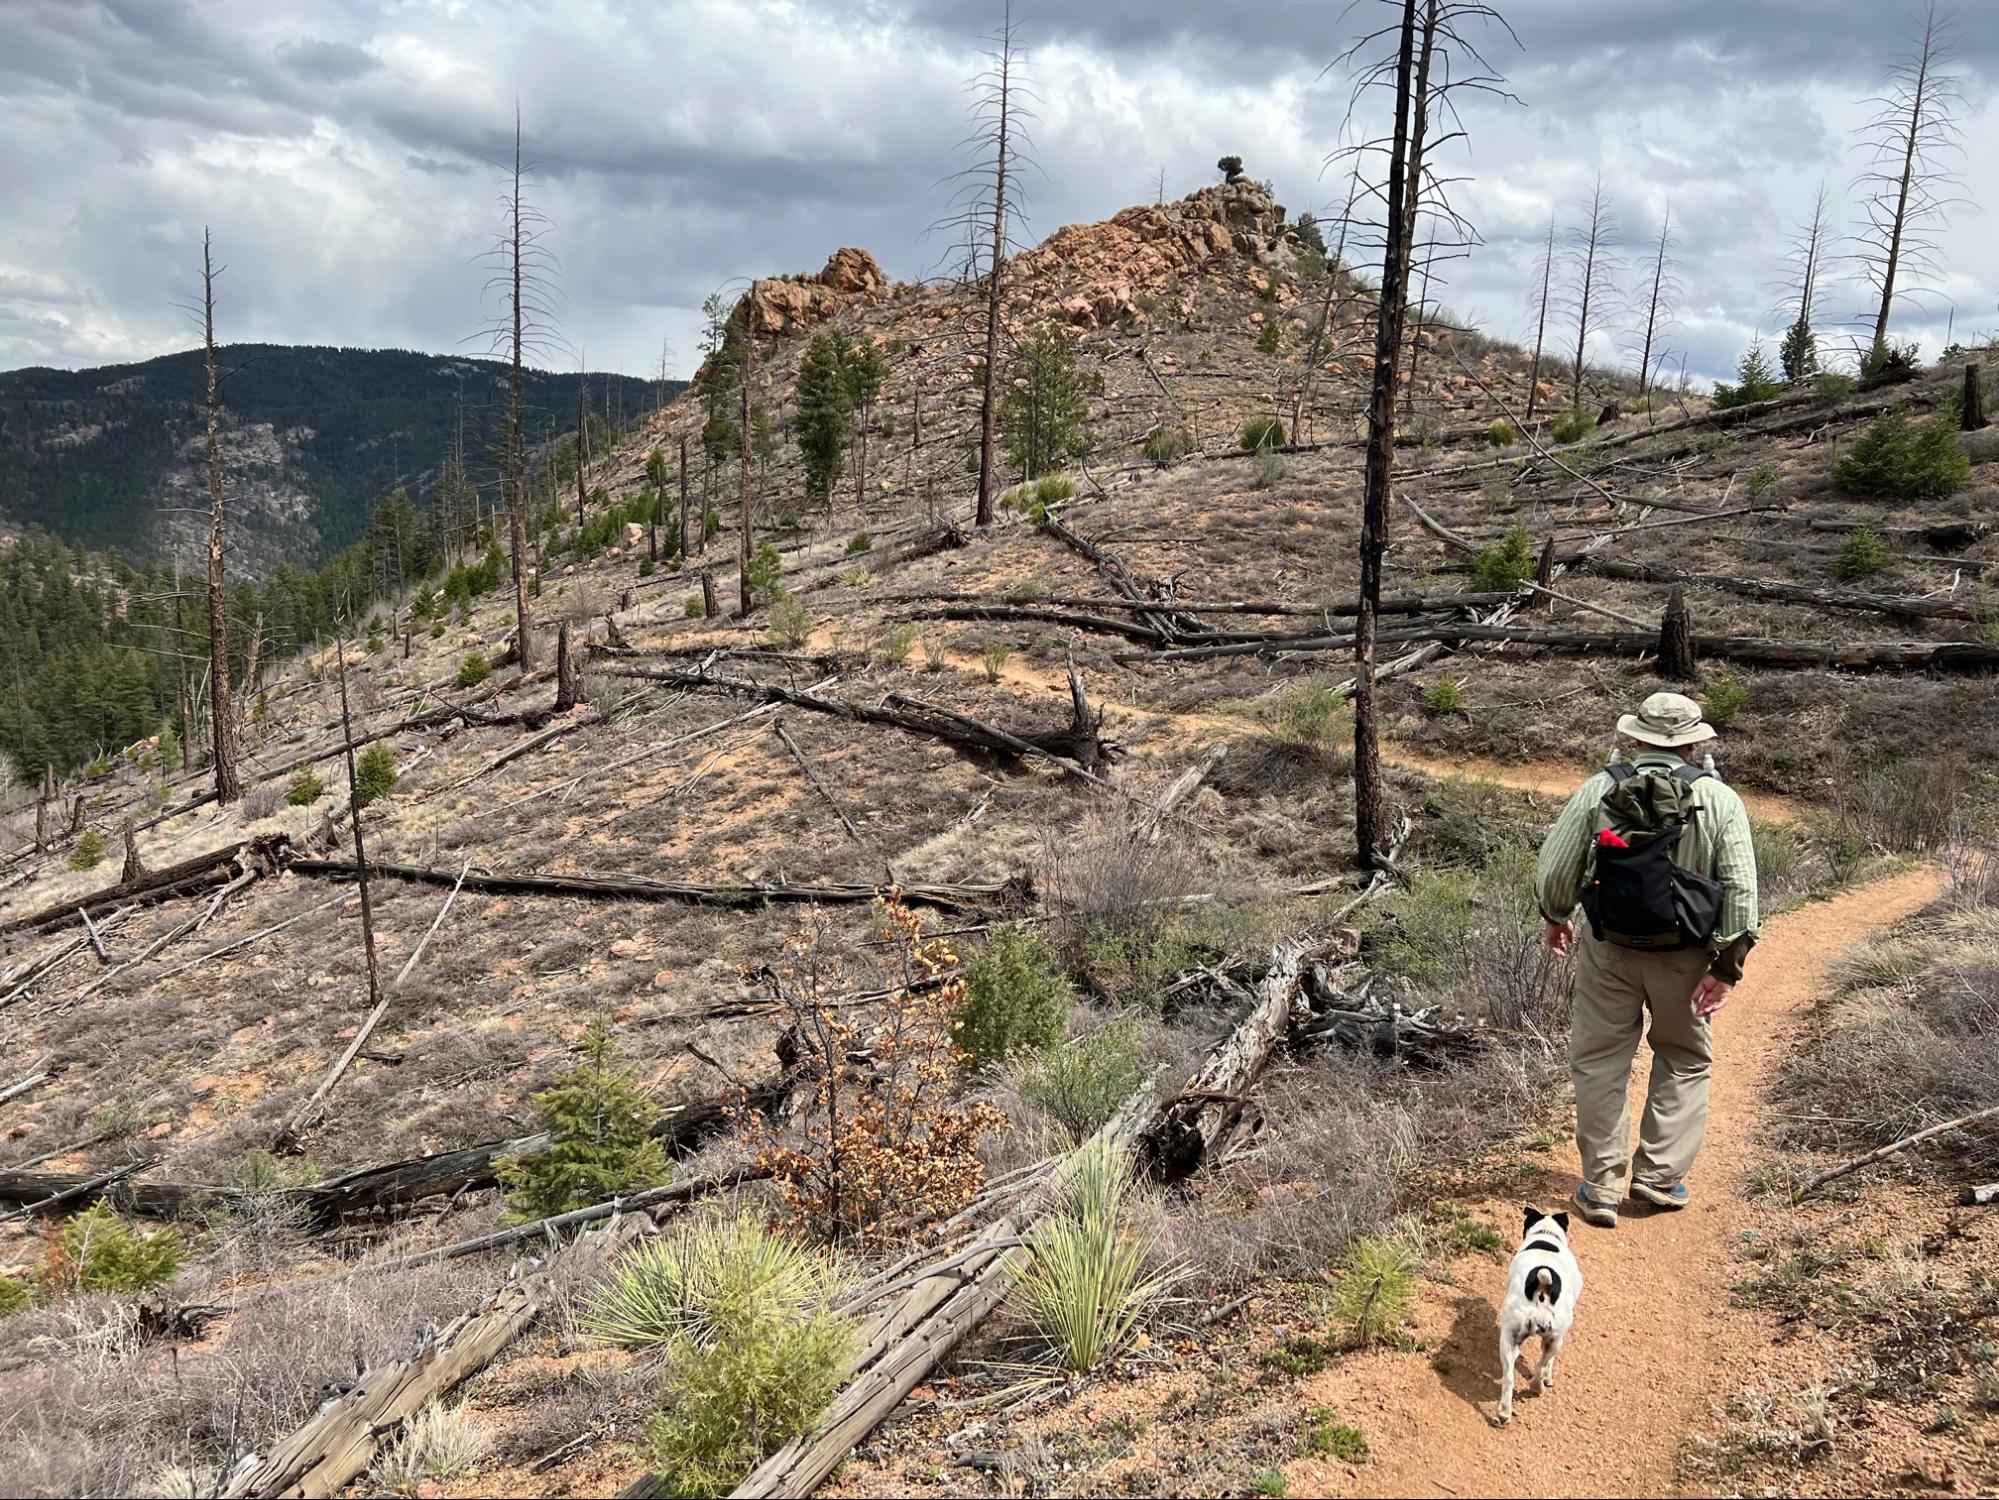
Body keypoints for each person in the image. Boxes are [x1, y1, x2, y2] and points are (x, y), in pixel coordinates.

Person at [1533, 691, 1759, 1229]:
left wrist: (1556, 914)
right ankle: (1658, 1178)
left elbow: (1557, 868)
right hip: (1686, 956)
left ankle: (1600, 1186)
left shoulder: (1601, 788)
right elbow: (1743, 891)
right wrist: (1725, 966)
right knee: (1683, 1057)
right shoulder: (1718, 799)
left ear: (1635, 737)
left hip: (1610, 948)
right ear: (1692, 742)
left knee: (1600, 1060)